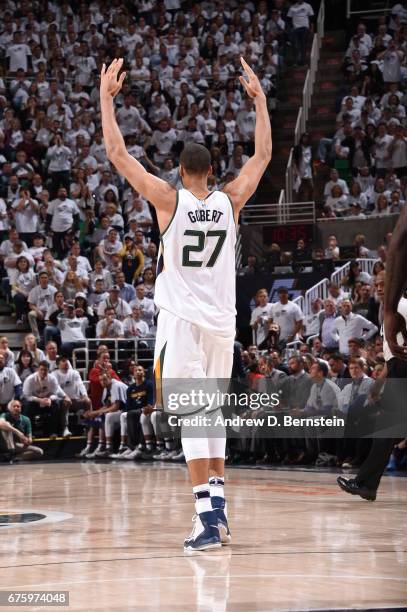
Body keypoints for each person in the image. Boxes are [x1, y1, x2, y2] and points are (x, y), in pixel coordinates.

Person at [100, 56, 272, 550]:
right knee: (210, 414)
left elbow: (117, 153)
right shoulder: (230, 201)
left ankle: (205, 515)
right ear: (214, 171)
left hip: (182, 320)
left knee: (195, 414)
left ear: (179, 170)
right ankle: (216, 511)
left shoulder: (167, 200)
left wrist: (107, 99)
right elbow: (261, 157)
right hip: (223, 324)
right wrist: (258, 101)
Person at [337, 209, 407, 500]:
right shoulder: (391, 308)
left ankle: (367, 483)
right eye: (377, 285)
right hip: (398, 368)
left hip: (404, 368)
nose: (379, 288)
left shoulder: (399, 306)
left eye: (383, 284)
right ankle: (367, 483)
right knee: (388, 430)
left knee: (388, 428)